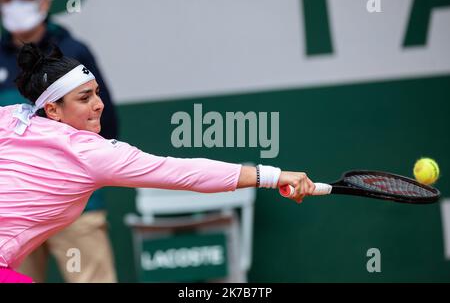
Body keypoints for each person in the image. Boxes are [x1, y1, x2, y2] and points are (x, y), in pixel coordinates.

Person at [0, 44, 316, 283]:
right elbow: (183, 173)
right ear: (53, 110)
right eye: (84, 98)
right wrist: (272, 176)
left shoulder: (11, 119)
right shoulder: (92, 154)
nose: (98, 104)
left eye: (97, 93)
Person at [0, 0, 119, 282]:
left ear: (43, 3)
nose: (16, 6)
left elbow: (105, 121)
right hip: (14, 212)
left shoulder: (73, 50)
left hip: (76, 204)